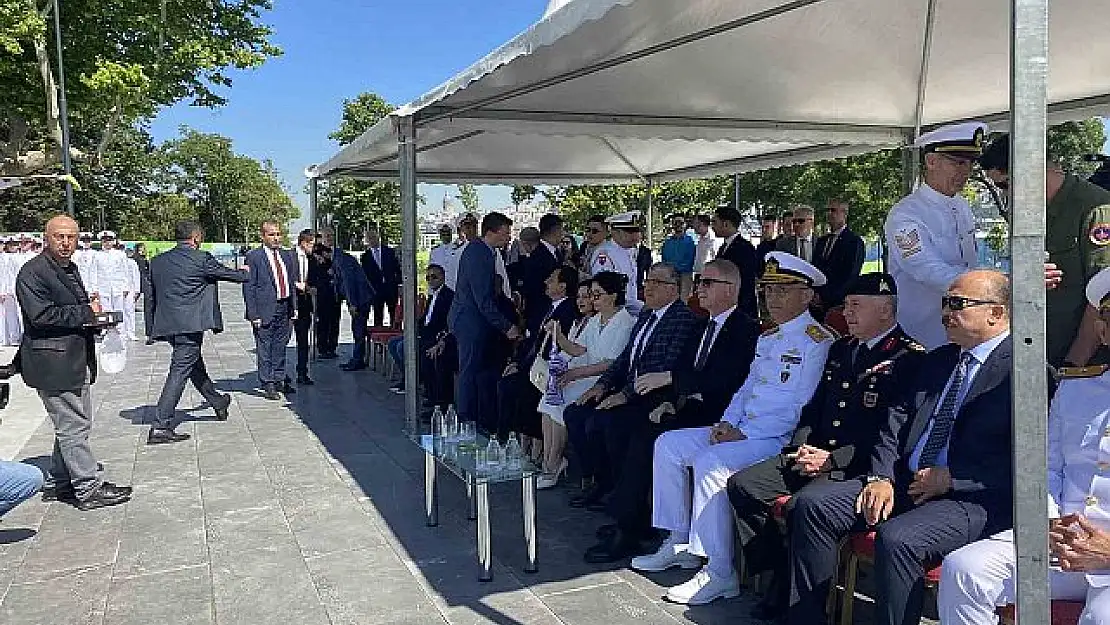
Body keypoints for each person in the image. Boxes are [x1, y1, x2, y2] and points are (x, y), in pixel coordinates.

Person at [787, 269, 1016, 625]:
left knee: (898, 538)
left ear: (996, 312)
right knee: (813, 506)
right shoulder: (939, 360)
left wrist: (953, 479)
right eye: (944, 303)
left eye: (957, 304)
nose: (945, 314)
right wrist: (879, 476)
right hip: (906, 480)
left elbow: (1027, 459)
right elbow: (895, 422)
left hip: (971, 497)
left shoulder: (1023, 370)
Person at [630, 252, 834, 606]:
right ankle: (679, 541)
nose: (773, 297)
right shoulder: (769, 337)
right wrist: (727, 422)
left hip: (774, 439)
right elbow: (747, 388)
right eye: (769, 289)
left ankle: (720, 572)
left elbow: (800, 405)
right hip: (743, 429)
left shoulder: (817, 341)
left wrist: (745, 433)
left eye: (784, 290)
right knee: (669, 445)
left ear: (807, 295)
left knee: (711, 463)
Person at [727, 272, 924, 620]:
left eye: (856, 305)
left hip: (855, 464)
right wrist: (801, 448)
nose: (846, 313)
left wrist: (832, 459)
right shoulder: (841, 348)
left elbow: (892, 433)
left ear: (886, 310)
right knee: (743, 486)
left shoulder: (909, 359)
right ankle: (781, 573)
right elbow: (815, 409)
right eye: (846, 305)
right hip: (815, 453)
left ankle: (804, 607)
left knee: (804, 506)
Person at [937, 266, 1110, 625]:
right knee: (964, 570)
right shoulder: (1077, 389)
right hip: (1061, 543)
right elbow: (1049, 468)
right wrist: (1049, 524)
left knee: (1100, 617)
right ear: (1103, 330)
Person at [584, 259, 760, 564]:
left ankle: (636, 531)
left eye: (707, 283)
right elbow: (685, 366)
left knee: (645, 436)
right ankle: (640, 523)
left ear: (730, 290)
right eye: (699, 281)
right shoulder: (704, 324)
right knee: (627, 428)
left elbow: (725, 377)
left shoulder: (744, 328)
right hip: (691, 407)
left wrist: (670, 382)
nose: (698, 289)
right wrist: (671, 399)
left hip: (722, 415)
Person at [16, 215, 132, 510]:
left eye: (71, 237)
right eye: (59, 236)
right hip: (53, 362)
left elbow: (76, 308)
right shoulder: (34, 273)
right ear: (47, 238)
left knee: (72, 423)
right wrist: (86, 314)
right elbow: (41, 317)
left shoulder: (68, 268)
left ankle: (60, 480)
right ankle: (87, 487)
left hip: (72, 358)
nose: (66, 242)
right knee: (73, 425)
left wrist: (95, 318)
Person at [564, 263, 702, 511]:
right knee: (575, 413)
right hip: (630, 389)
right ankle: (603, 483)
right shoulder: (647, 315)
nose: (648, 286)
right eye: (647, 281)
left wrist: (624, 395)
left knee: (608, 423)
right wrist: (603, 385)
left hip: (655, 396)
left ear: (673, 289)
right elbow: (627, 357)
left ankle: (625, 501)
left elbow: (665, 364)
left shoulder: (682, 319)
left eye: (656, 283)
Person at [980, 133, 1110, 368]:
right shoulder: (1028, 214)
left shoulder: (1095, 209)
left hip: (1087, 365)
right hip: (1042, 356)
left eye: (1005, 184)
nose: (1005, 195)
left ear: (1032, 170)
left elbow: (1103, 299)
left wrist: (1074, 364)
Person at [884, 122, 986, 349]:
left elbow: (969, 261)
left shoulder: (962, 206)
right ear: (931, 161)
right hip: (923, 335)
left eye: (969, 164)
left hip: (964, 330)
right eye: (958, 162)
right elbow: (926, 269)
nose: (966, 172)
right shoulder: (906, 213)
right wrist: (989, 285)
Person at [147, 221, 249, 445]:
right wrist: (245, 272)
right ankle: (160, 425)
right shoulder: (201, 259)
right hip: (191, 325)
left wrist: (151, 330)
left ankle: (218, 402)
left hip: (169, 325)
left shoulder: (157, 261)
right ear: (195, 238)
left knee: (193, 365)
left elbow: (150, 297)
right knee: (180, 371)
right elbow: (231, 276)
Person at [449, 212, 522, 428]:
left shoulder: (484, 251)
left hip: (473, 319)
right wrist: (506, 326)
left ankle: (473, 415)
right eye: (505, 233)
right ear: (491, 232)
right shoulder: (479, 254)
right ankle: (465, 418)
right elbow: (482, 299)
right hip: (470, 320)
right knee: (469, 370)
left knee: (473, 369)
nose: (508, 237)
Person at [496, 265, 579, 441]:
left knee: (512, 388)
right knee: (505, 383)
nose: (546, 282)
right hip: (532, 364)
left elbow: (554, 347)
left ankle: (506, 440)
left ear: (563, 286)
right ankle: (509, 438)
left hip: (548, 368)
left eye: (551, 279)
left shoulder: (568, 310)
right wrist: (518, 363)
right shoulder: (547, 307)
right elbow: (532, 340)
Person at [535, 278, 603, 488]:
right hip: (571, 374)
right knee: (547, 403)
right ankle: (549, 461)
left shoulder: (596, 322)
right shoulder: (576, 322)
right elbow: (566, 353)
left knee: (559, 403)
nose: (582, 301)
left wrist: (559, 336)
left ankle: (554, 463)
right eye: (579, 297)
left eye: (587, 296)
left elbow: (579, 350)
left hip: (588, 376)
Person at [244, 221, 298, 400]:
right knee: (265, 347)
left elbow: (290, 282)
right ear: (263, 236)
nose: (276, 238)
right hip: (265, 309)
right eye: (271, 235)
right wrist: (253, 314)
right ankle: (268, 383)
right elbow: (249, 286)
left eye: (278, 234)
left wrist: (294, 306)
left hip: (284, 306)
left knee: (281, 345)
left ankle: (280, 378)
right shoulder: (254, 257)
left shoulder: (286, 255)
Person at [813, 199, 866, 312]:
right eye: (827, 210)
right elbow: (815, 269)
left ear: (844, 213)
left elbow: (851, 275)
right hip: (816, 305)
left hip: (840, 305)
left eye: (833, 210)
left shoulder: (854, 242)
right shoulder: (821, 241)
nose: (829, 214)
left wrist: (826, 298)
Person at [712, 204, 759, 319]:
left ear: (726, 224)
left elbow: (747, 281)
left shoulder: (744, 248)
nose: (712, 226)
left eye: (715, 222)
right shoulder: (723, 247)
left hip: (741, 307)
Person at [334, 243, 376, 371]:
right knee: (357, 329)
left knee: (358, 329)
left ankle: (357, 360)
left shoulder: (341, 260)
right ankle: (357, 358)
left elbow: (348, 282)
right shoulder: (342, 257)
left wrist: (352, 303)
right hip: (361, 297)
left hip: (360, 298)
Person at [590, 212, 642, 313]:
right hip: (614, 313)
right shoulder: (604, 254)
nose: (635, 236)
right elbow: (605, 291)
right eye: (630, 232)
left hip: (630, 311)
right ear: (615, 232)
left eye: (637, 231)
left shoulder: (631, 251)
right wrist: (640, 307)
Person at [95, 230, 140, 342]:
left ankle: (122, 331)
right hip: (103, 287)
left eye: (109, 241)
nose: (107, 243)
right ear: (102, 242)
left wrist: (125, 287)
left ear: (113, 241)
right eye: (105, 241)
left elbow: (124, 272)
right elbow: (93, 273)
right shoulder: (97, 255)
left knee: (120, 310)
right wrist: (94, 289)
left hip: (117, 287)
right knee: (106, 309)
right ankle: (106, 330)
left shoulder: (120, 254)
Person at [360, 223, 402, 327]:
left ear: (378, 238)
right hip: (376, 290)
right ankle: (379, 339)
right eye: (369, 238)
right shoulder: (365, 257)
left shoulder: (390, 252)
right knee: (378, 315)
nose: (372, 240)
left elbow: (397, 269)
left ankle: (395, 334)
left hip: (390, 288)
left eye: (374, 237)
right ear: (367, 241)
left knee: (394, 313)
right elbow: (365, 276)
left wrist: (400, 284)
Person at [292, 229, 319, 385]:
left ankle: (302, 372)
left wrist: (312, 288)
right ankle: (278, 375)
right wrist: (300, 286)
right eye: (312, 244)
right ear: (304, 242)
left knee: (303, 341)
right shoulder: (289, 256)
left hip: (305, 304)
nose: (313, 248)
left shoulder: (312, 259)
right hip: (291, 303)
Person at [312, 228, 341, 359]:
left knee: (335, 321)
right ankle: (322, 348)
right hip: (323, 293)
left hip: (335, 293)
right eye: (327, 236)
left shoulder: (337, 252)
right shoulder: (316, 252)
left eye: (332, 236)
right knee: (323, 321)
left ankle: (332, 347)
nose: (330, 238)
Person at [662, 214, 696, 299]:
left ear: (685, 224)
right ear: (672, 225)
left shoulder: (690, 241)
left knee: (684, 299)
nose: (678, 225)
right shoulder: (667, 242)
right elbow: (664, 259)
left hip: (685, 275)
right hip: (670, 275)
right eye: (676, 223)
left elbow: (691, 259)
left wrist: (677, 268)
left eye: (681, 223)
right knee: (670, 298)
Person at [132, 242, 154, 344]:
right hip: (138, 281)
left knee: (148, 306)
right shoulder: (134, 259)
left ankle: (150, 333)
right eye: (141, 248)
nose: (143, 250)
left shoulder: (144, 258)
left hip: (145, 281)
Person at [691, 214, 716, 281]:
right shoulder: (700, 238)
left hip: (708, 276)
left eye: (695, 223)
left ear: (701, 224)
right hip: (698, 274)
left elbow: (715, 259)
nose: (693, 226)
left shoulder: (713, 238)